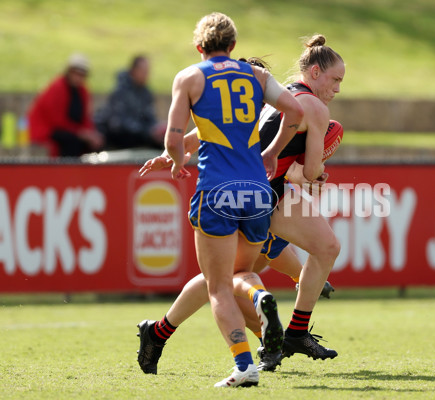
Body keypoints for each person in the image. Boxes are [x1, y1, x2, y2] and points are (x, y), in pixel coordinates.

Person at [136, 34, 344, 373]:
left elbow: (208, 133)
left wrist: (168, 155)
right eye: (335, 79)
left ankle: (161, 332)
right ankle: (288, 333)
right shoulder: (309, 106)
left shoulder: (268, 96)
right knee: (229, 277)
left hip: (255, 189)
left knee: (225, 277)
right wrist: (315, 172)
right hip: (261, 195)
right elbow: (308, 170)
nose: (337, 88)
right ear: (316, 72)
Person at [28, 54, 104, 157]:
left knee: (97, 142)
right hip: (48, 130)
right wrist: (81, 133)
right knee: (72, 142)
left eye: (82, 75)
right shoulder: (57, 88)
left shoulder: (82, 91)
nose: (78, 78)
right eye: (76, 73)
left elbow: (85, 117)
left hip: (72, 130)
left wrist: (91, 134)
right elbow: (57, 121)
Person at [95, 55, 167, 150]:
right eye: (143, 71)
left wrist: (156, 129)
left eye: (147, 71)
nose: (146, 75)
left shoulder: (146, 93)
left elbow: (149, 117)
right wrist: (147, 132)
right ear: (134, 70)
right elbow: (118, 123)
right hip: (118, 135)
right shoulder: (121, 91)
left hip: (139, 133)